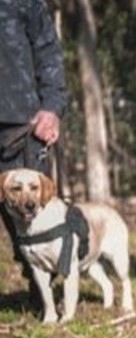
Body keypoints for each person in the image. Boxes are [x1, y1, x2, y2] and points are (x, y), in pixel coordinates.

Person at [0, 0, 66, 305]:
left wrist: (52, 107)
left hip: (20, 124)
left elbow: (48, 51)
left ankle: (43, 294)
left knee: (31, 215)